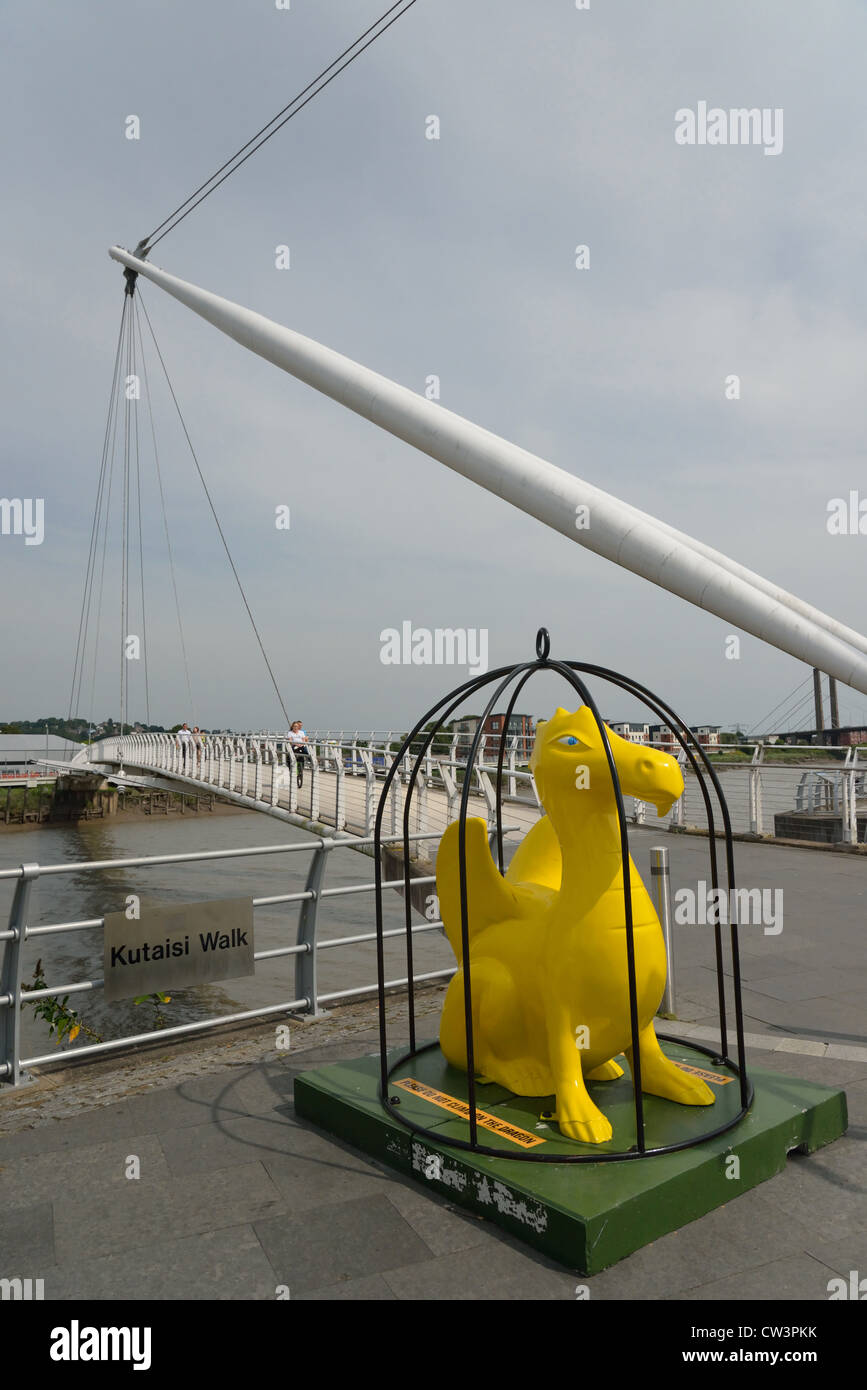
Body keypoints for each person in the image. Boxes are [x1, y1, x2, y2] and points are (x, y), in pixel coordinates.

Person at [287, 720, 309, 788]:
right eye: (295, 726)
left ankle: (308, 761)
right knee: (291, 756)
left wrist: (301, 744)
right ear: (292, 727)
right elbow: (290, 741)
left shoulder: (301, 732)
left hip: (301, 745)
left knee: (306, 752)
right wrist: (296, 744)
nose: (296, 727)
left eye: (297, 726)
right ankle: (291, 766)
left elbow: (303, 740)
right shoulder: (290, 733)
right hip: (294, 746)